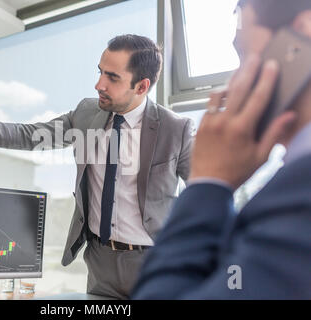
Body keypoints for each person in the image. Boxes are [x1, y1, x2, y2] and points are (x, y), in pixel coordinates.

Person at [0, 34, 194, 299]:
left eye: (112, 78)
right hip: (101, 261)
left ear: (142, 86)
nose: (99, 85)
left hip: (155, 261)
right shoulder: (87, 113)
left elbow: (208, 194)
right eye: (100, 72)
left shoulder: (175, 129)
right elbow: (29, 135)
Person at [131, 0, 311, 299]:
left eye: (242, 54)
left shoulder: (300, 194)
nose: (234, 80)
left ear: (302, 34)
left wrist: (208, 182)